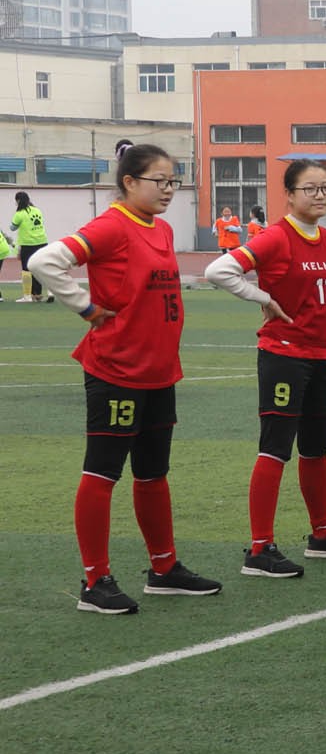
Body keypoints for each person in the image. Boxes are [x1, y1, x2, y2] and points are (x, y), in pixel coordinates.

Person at [31, 144, 222, 614]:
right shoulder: (112, 224)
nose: (168, 190)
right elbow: (44, 262)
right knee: (101, 472)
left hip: (158, 372)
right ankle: (95, 582)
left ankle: (164, 569)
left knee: (154, 474)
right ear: (130, 182)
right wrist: (85, 306)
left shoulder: (161, 227)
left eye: (173, 181)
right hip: (117, 370)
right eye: (160, 180)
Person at [203, 159, 326, 579]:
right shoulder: (276, 237)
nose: (320, 195)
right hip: (283, 354)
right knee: (276, 446)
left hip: (321, 355)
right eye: (309, 188)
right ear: (289, 195)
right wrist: (260, 296)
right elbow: (218, 270)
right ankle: (259, 549)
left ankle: (322, 535)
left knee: (317, 447)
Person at [13, 191, 51, 300]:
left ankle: (27, 296)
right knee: (41, 268)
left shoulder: (19, 214)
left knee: (26, 269)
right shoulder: (37, 210)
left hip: (28, 244)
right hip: (42, 242)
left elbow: (13, 227)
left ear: (18, 201)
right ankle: (44, 293)